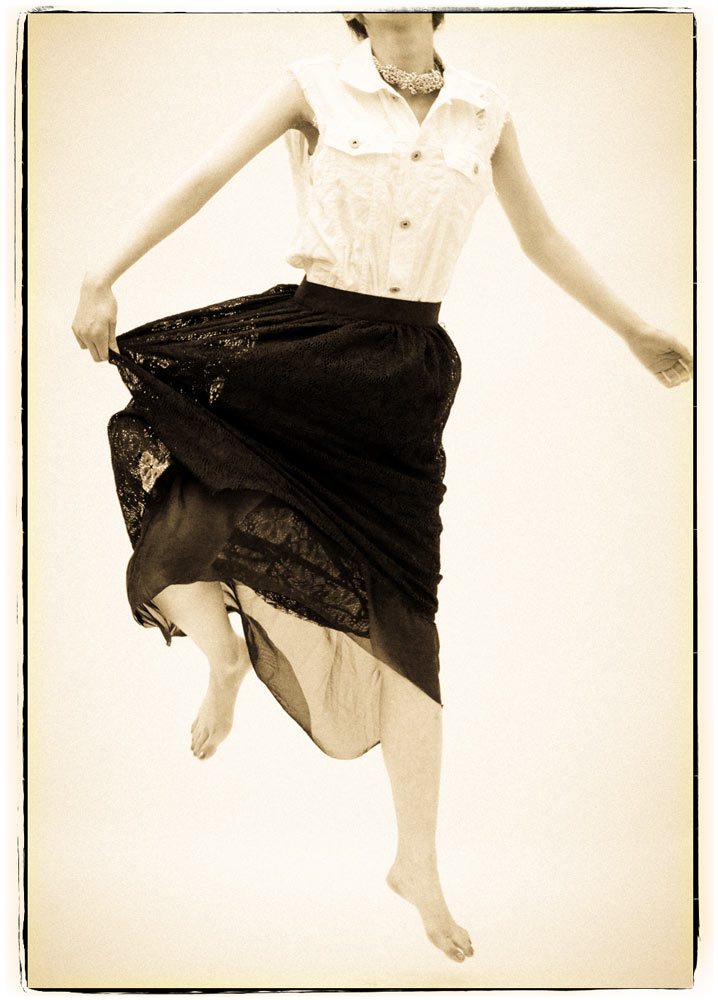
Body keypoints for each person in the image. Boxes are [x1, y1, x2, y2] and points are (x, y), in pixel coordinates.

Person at [71, 11, 693, 965]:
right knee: (191, 484)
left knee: (406, 615)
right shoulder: (314, 85)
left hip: (405, 379)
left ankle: (417, 863)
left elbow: (542, 236)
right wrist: (101, 273)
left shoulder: (484, 110)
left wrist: (635, 329)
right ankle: (224, 656)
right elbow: (202, 176)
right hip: (307, 345)